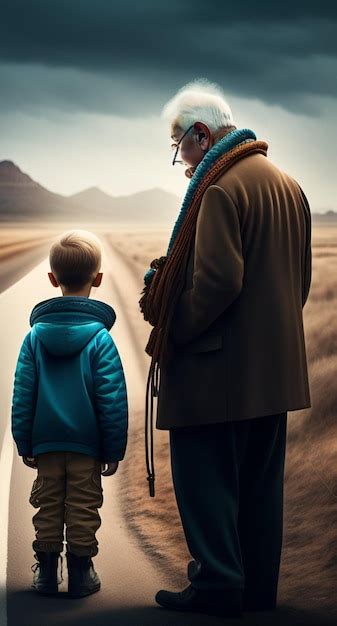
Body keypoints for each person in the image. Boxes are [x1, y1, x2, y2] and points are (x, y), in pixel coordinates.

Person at [139, 79, 312, 618]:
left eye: (178, 146)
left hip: (218, 374)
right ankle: (257, 590)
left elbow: (216, 283)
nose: (179, 161)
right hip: (275, 373)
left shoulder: (218, 188)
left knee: (204, 479)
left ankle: (217, 585)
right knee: (260, 487)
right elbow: (299, 281)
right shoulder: (289, 184)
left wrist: (173, 328)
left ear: (200, 132)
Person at [11, 229, 128, 597]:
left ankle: (45, 573)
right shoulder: (101, 339)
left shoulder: (33, 339)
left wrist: (23, 440)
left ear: (52, 279)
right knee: (83, 506)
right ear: (98, 279)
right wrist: (113, 449)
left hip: (45, 443)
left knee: (47, 505)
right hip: (87, 446)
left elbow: (23, 394)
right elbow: (111, 399)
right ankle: (81, 574)